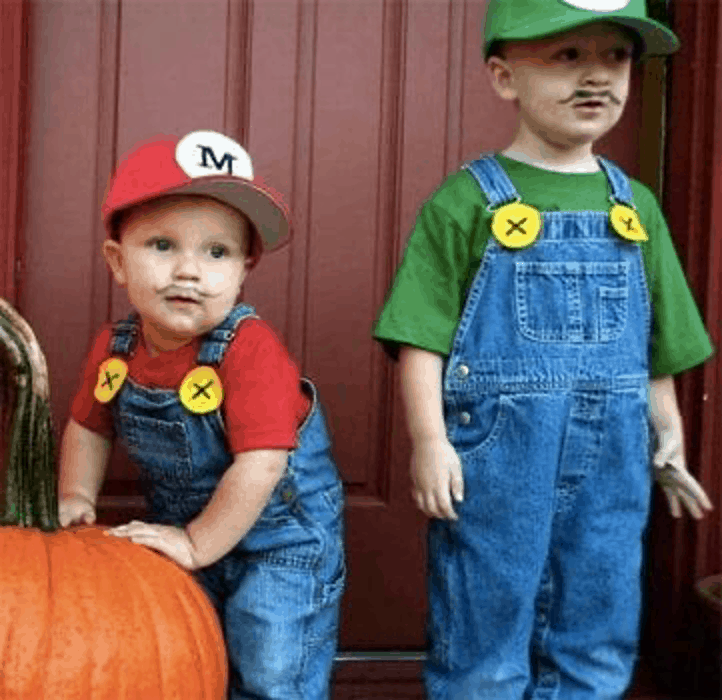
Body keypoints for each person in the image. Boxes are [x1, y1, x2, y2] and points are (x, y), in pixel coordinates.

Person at [373, 1, 715, 697]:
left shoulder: (636, 206)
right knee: (485, 618)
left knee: (598, 612)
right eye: (567, 56)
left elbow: (657, 338)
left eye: (615, 57)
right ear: (503, 77)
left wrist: (669, 430)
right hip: (498, 458)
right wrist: (428, 440)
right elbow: (420, 333)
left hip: (615, 458)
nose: (597, 77)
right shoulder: (466, 201)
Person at [58, 130, 346, 700]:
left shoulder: (251, 350)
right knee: (193, 661)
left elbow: (261, 465)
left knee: (270, 667)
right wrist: (76, 498)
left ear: (243, 271)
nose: (190, 270)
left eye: (216, 252)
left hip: (281, 542)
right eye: (163, 246)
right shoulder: (115, 348)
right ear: (117, 261)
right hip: (186, 530)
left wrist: (196, 545)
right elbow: (88, 426)